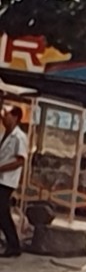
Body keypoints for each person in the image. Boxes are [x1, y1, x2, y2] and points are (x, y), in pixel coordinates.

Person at [0, 105, 28, 257]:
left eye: (6, 113)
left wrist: (1, 169)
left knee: (2, 212)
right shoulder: (4, 134)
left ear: (15, 117)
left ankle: (13, 244)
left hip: (7, 180)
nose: (3, 115)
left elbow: (20, 160)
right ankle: (11, 243)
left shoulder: (19, 137)